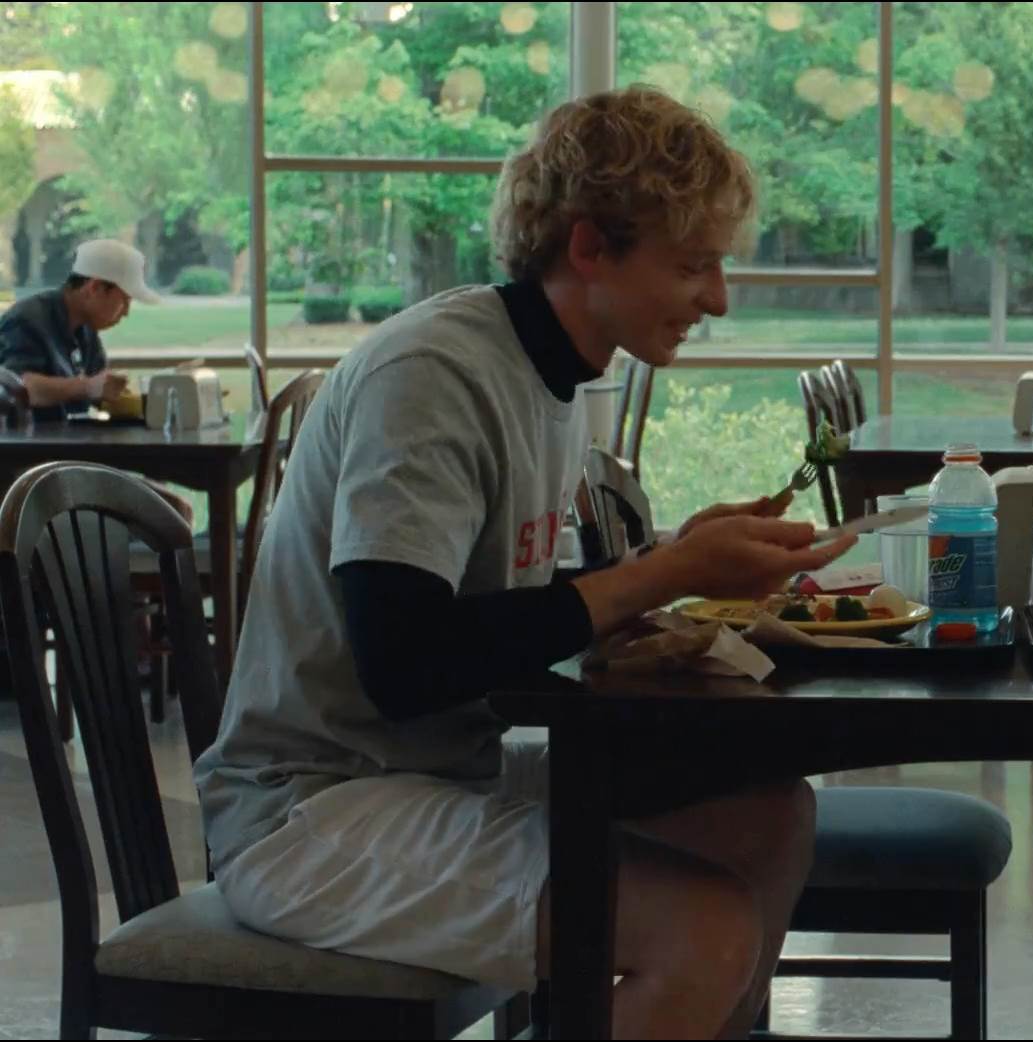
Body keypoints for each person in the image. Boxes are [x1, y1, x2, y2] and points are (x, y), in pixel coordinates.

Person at [193, 86, 854, 1039]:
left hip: (439, 772)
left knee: (769, 817)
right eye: (693, 265)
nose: (717, 299)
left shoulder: (552, 377)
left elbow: (497, 608)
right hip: (313, 808)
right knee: (704, 935)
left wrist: (671, 561)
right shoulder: (435, 375)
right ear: (589, 248)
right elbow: (405, 658)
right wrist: (664, 575)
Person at [0, 238, 149, 421]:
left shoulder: (86, 329)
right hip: (27, 439)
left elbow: (99, 389)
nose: (126, 312)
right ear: (95, 288)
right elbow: (16, 388)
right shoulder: (26, 319)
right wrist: (88, 387)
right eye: (125, 300)